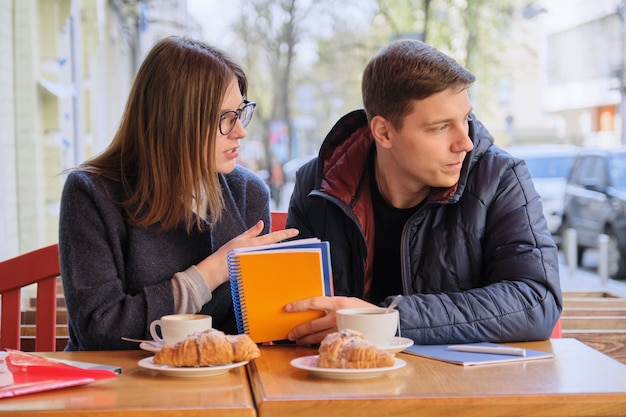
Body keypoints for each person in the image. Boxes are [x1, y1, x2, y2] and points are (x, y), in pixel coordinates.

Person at [284, 39, 562, 345]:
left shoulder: (499, 178)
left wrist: (387, 319)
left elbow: (536, 302)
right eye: (440, 127)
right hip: (347, 380)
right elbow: (296, 309)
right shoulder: (320, 182)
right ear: (384, 132)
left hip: (459, 387)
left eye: (465, 119)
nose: (465, 142)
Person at [59, 36, 297, 350]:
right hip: (121, 388)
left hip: (223, 387)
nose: (241, 131)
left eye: (240, 113)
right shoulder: (91, 193)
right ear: (177, 122)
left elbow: (253, 330)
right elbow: (100, 329)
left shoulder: (247, 192)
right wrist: (210, 272)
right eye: (226, 118)